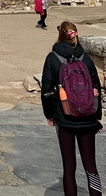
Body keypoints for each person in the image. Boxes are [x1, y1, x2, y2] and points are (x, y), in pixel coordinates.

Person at [41, 21, 102, 196]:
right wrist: (97, 117)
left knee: (69, 167)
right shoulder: (86, 58)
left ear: (60, 35)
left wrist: (50, 115)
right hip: (88, 118)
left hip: (65, 118)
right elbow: (96, 89)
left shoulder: (52, 58)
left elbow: (46, 90)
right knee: (91, 167)